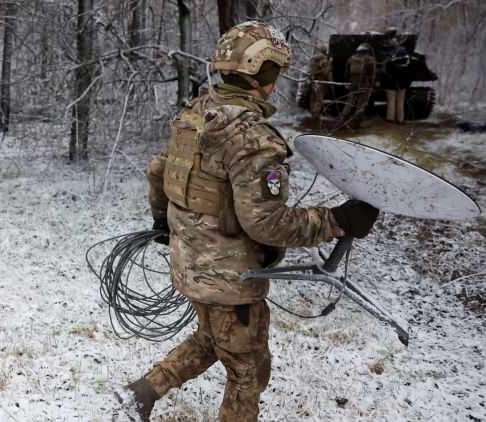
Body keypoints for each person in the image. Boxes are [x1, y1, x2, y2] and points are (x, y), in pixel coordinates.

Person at [114, 21, 379, 422]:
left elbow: (157, 170)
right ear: (262, 74)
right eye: (275, 71)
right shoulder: (251, 137)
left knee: (210, 339)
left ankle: (141, 393)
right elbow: (266, 224)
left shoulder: (195, 114)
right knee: (249, 370)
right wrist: (337, 220)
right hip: (230, 281)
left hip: (190, 266)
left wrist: (162, 224)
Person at [379, 29, 411, 123]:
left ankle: (390, 119)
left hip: (391, 83)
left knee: (391, 102)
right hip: (402, 83)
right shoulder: (405, 56)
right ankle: (400, 120)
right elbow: (408, 70)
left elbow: (385, 70)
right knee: (400, 102)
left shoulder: (389, 57)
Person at [342, 43, 376, 127]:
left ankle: (342, 121)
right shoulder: (371, 60)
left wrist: (348, 83)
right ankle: (356, 123)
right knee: (361, 105)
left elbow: (346, 73)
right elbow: (372, 74)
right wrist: (372, 85)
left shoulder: (351, 59)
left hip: (353, 84)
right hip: (365, 86)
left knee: (349, 103)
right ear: (367, 51)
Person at [308, 43, 332, 118]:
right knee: (319, 99)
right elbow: (326, 72)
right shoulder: (324, 60)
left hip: (313, 81)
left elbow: (309, 70)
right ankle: (316, 115)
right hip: (321, 81)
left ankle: (313, 113)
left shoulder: (313, 59)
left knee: (313, 98)